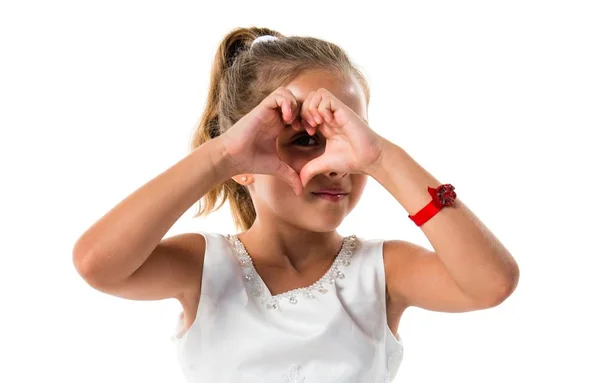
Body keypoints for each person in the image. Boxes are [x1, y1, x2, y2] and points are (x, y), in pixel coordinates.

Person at [72, 26, 520, 382]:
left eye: (348, 140)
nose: (336, 165)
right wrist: (223, 156)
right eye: (305, 140)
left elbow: (491, 283)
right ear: (243, 155)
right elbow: (97, 263)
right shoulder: (204, 266)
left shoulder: (383, 272)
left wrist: (383, 159)